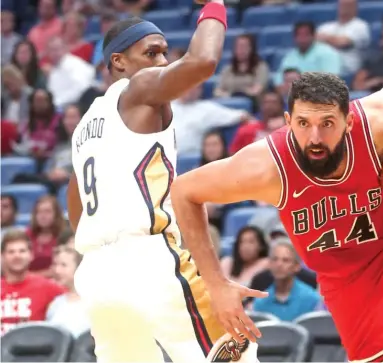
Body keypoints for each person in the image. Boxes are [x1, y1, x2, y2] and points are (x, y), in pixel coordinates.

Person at [171, 71, 383, 363]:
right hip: (345, 277)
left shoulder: (379, 123)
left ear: (349, 121)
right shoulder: (265, 167)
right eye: (303, 123)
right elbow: (184, 191)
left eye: (327, 123)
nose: (314, 137)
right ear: (288, 122)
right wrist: (216, 284)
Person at [65, 5, 264, 362]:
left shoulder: (86, 124)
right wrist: (215, 7)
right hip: (147, 259)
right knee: (238, 353)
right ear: (119, 62)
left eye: (164, 53)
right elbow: (203, 61)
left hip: (96, 275)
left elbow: (75, 195)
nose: (161, 62)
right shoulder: (140, 88)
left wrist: (105, 249)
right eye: (151, 52)